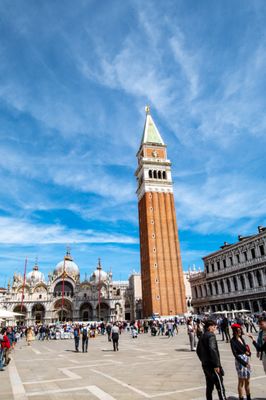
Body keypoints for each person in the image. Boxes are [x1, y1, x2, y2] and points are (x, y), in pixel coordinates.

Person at [196, 320, 227, 400]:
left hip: (205, 366)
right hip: (213, 366)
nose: (215, 328)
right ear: (209, 327)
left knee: (209, 387)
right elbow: (212, 349)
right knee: (220, 387)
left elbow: (198, 351)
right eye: (214, 326)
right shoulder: (211, 335)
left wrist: (203, 360)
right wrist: (216, 365)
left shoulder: (202, 336)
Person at [230, 323, 251, 400]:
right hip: (240, 361)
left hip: (246, 359)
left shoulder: (242, 338)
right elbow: (235, 354)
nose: (240, 332)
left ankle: (248, 397)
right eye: (238, 330)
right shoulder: (233, 341)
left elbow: (245, 349)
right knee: (241, 381)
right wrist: (244, 363)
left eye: (240, 330)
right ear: (234, 331)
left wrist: (248, 352)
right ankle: (241, 397)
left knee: (248, 380)